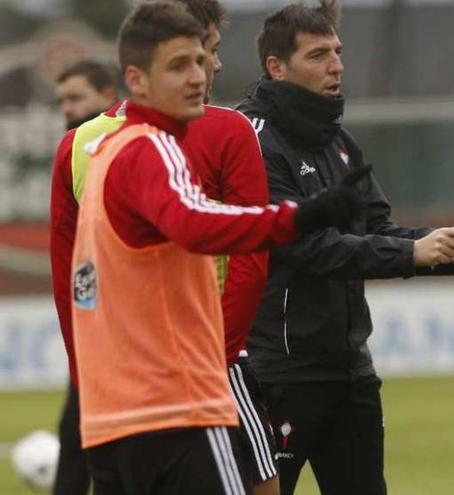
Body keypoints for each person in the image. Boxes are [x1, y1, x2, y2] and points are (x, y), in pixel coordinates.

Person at [68, 2, 365, 494]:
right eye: (178, 65)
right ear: (137, 81)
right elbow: (195, 222)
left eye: (199, 59)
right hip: (175, 404)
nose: (199, 74)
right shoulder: (151, 148)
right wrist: (299, 216)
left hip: (115, 413)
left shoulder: (108, 151)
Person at [236, 2, 454, 493]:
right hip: (280, 373)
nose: (336, 65)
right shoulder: (254, 142)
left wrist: (444, 250)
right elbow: (306, 246)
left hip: (350, 369)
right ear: (276, 66)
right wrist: (413, 254)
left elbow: (376, 227)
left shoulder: (339, 141)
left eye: (337, 52)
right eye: (317, 55)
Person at [50, 1, 284, 493]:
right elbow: (221, 242)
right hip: (191, 377)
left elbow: (74, 282)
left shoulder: (91, 145)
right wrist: (297, 219)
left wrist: (86, 377)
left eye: (206, 57)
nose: (209, 69)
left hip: (115, 394)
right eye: (196, 56)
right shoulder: (187, 138)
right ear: (143, 73)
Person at [50, 59, 120, 495]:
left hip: (135, 332)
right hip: (97, 331)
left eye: (76, 98)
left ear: (109, 95)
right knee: (77, 439)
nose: (67, 109)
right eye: (62, 101)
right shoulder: (72, 152)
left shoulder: (128, 147)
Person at [54, 60, 119, 130]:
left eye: (74, 98)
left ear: (108, 96)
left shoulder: (128, 137)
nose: (66, 110)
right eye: (60, 102)